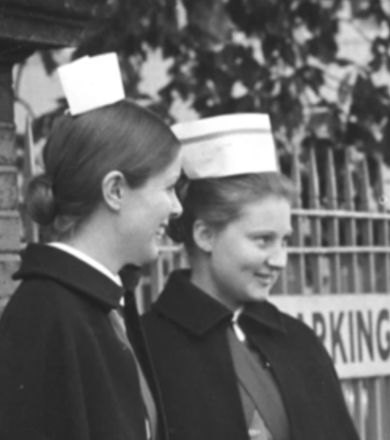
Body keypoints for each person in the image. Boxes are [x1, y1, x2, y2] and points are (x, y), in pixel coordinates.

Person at [142, 113, 360, 440]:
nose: (280, 260)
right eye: (262, 240)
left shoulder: (299, 342)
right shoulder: (150, 346)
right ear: (205, 235)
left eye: (285, 240)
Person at [0, 53, 182, 440]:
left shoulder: (103, 304)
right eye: (168, 188)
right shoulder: (48, 313)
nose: (178, 207)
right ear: (115, 190)